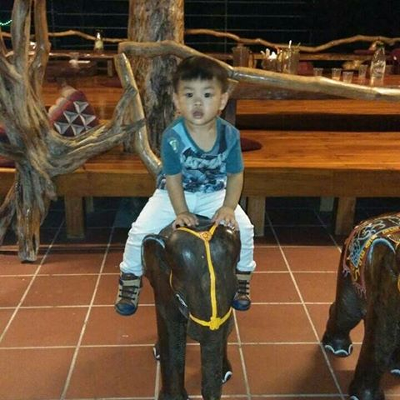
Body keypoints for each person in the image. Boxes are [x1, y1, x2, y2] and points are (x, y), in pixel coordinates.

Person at [115, 55, 256, 316]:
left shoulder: (230, 135)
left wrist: (228, 207)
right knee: (140, 230)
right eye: (189, 95)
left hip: (215, 192)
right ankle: (130, 277)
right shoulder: (173, 136)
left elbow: (236, 174)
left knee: (245, 228)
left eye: (207, 95)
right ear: (177, 100)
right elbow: (173, 177)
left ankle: (242, 276)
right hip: (174, 193)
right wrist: (180, 211)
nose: (198, 103)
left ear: (222, 100)